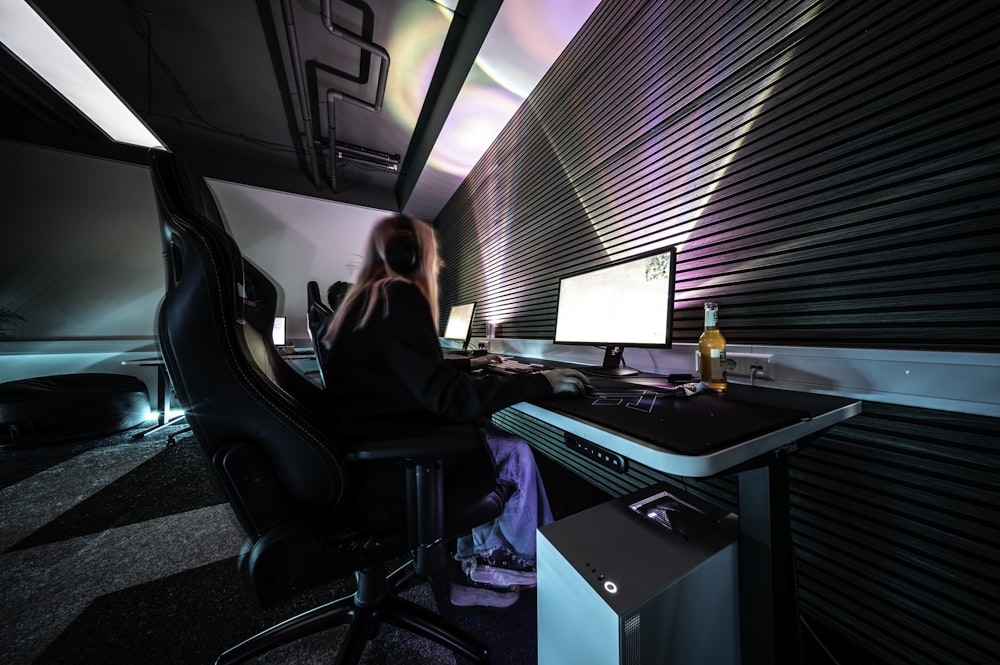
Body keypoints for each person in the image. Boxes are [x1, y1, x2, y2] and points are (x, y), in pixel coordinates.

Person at [321, 213, 589, 608]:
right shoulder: (399, 295)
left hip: (368, 460)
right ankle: (495, 568)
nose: (440, 265)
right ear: (410, 255)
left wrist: (468, 365)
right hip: (395, 469)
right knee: (512, 451)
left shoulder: (367, 301)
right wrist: (541, 382)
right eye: (434, 256)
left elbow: (402, 374)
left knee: (479, 433)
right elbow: (448, 399)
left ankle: (473, 559)